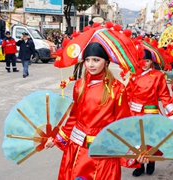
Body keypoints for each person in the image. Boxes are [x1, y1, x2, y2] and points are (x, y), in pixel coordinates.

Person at [45, 42, 132, 180]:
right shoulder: (80, 84)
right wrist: (57, 139)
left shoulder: (117, 88)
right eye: (87, 60)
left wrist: (134, 151)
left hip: (103, 152)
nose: (91, 64)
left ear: (107, 62)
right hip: (77, 148)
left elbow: (123, 123)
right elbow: (74, 117)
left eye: (96, 60)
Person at [125, 48, 173, 177]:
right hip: (135, 113)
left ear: (152, 62)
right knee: (137, 140)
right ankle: (139, 165)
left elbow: (165, 95)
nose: (144, 63)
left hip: (150, 113)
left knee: (150, 141)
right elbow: (127, 94)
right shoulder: (134, 75)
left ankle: (151, 162)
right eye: (141, 60)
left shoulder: (158, 76)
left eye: (147, 61)